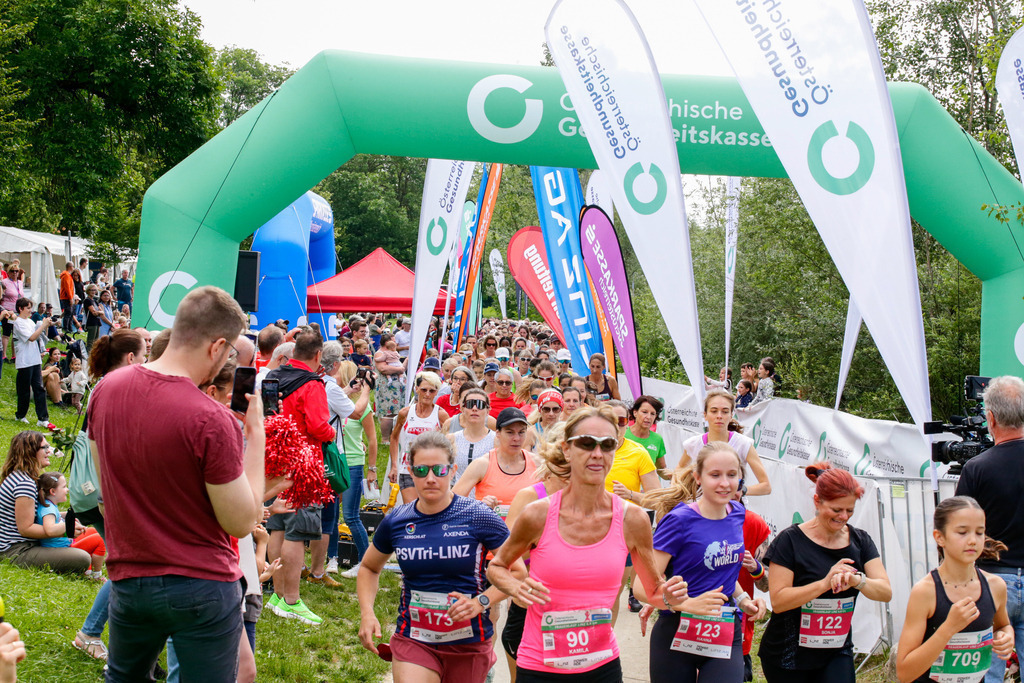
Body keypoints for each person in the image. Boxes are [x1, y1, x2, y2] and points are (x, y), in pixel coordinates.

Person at [88, 286, 265, 681]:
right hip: (200, 584)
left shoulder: (105, 390)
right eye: (229, 352)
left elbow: (108, 479)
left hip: (130, 578)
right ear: (217, 346)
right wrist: (256, 439)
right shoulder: (210, 418)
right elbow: (240, 521)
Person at [487, 405, 687, 682]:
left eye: (607, 445)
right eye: (586, 443)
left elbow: (653, 591)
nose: (597, 453)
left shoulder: (633, 519)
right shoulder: (538, 514)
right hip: (540, 666)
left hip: (601, 666)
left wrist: (671, 597)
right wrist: (516, 587)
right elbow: (496, 567)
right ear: (566, 450)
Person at [357, 432, 520, 683]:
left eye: (439, 470)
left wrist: (481, 602)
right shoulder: (397, 520)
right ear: (411, 473)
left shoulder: (478, 516)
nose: (430, 478)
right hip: (414, 638)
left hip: (468, 642)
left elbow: (518, 571)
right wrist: (367, 612)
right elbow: (369, 567)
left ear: (452, 470)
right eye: (421, 470)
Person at [639, 441, 767, 682]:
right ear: (698, 477)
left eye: (732, 475)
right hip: (677, 628)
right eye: (715, 475)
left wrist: (743, 600)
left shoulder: (738, 515)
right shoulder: (679, 520)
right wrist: (686, 604)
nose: (724, 483)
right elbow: (641, 587)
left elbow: (724, 567)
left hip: (724, 625)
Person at [758, 462, 892, 682]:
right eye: (836, 510)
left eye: (850, 510)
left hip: (836, 649)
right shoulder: (789, 540)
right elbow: (779, 600)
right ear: (817, 502)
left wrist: (858, 580)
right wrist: (824, 583)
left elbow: (885, 592)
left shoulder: (860, 540)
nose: (843, 517)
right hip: (788, 654)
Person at [264, 328, 344, 623]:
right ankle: (292, 601)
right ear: (318, 355)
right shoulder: (313, 384)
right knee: (297, 533)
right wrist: (333, 432)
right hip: (304, 463)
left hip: (274, 460)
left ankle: (276, 594)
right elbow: (318, 426)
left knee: (278, 526)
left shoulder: (273, 376)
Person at [896, 496, 1014, 683]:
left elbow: (1003, 625)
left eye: (979, 532)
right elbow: (904, 673)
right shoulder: (925, 592)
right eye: (962, 532)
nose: (973, 540)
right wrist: (948, 628)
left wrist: (1006, 637)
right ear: (939, 537)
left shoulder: (995, 586)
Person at [954, 375, 1024, 683]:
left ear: (990, 418)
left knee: (988, 674)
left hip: (991, 580)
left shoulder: (977, 468)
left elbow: (956, 532)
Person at [0, 431, 91, 572]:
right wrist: (66, 530)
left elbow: (40, 514)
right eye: (44, 447)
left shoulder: (24, 477)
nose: (49, 451)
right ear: (30, 452)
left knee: (89, 533)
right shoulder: (24, 484)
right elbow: (26, 528)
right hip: (16, 550)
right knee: (82, 558)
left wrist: (77, 515)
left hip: (28, 544)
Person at [323, 349, 376, 579]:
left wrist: (372, 469)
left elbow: (373, 440)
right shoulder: (335, 395)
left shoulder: (360, 405)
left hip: (352, 463)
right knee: (332, 514)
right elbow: (345, 406)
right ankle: (332, 558)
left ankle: (366, 562)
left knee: (351, 516)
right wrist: (361, 389)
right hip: (336, 460)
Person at [681, 389, 771, 496]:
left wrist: (739, 491)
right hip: (701, 508)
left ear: (731, 415)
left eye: (725, 411)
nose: (719, 416)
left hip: (733, 509)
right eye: (714, 411)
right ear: (705, 415)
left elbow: (766, 486)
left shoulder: (743, 444)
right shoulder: (693, 444)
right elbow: (678, 474)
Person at [453, 407, 535, 521]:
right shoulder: (482, 464)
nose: (516, 438)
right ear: (498, 433)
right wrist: (479, 506)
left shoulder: (538, 463)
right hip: (492, 536)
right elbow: (452, 503)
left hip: (529, 536)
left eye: (521, 432)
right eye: (510, 432)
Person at [390, 371, 449, 503]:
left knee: (428, 509)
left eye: (432, 391)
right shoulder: (405, 413)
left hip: (431, 471)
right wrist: (395, 465)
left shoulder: (441, 415)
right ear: (416, 389)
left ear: (436, 392)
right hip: (408, 468)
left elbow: (450, 443)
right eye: (424, 390)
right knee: (411, 510)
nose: (427, 394)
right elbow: (394, 438)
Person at [35, 471, 106, 579]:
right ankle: (96, 576)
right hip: (62, 548)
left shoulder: (48, 505)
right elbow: (49, 529)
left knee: (92, 531)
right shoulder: (48, 510)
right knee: (99, 539)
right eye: (64, 487)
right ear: (53, 491)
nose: (67, 490)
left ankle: (87, 570)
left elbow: (56, 516)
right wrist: (69, 525)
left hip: (67, 542)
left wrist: (70, 516)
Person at [12, 298, 51, 426]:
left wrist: (45, 325)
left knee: (39, 388)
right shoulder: (18, 323)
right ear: (20, 309)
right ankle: (21, 415)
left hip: (35, 359)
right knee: (24, 390)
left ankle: (43, 418)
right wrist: (43, 326)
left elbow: (37, 334)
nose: (30, 310)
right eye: (28, 308)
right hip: (24, 360)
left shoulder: (29, 321)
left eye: (30, 308)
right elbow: (32, 337)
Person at [447, 388, 496, 485]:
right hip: (458, 496)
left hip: (486, 498)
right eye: (470, 404)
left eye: (480, 405)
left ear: (488, 411)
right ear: (462, 409)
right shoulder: (451, 439)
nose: (474, 408)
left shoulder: (496, 440)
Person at [374, 332, 407, 443]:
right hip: (387, 387)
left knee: (398, 411)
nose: (396, 343)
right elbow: (383, 369)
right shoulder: (380, 354)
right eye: (394, 340)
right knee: (389, 412)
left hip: (398, 386)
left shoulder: (393, 352)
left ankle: (395, 436)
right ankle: (385, 439)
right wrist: (400, 370)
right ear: (387, 342)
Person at [625, 395, 668, 476]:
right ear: (635, 413)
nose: (648, 417)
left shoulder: (657, 439)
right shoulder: (622, 434)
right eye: (644, 412)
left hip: (647, 488)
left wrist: (677, 476)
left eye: (652, 414)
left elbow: (662, 470)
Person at [0, 267, 24, 362]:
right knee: (6, 333)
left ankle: (14, 355)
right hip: (6, 310)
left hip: (17, 311)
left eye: (16, 271)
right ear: (8, 272)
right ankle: (4, 355)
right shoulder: (5, 282)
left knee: (15, 334)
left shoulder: (20, 283)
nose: (14, 273)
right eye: (12, 271)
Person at [59, 261, 76, 333]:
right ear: (70, 267)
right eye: (73, 266)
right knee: (68, 313)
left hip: (67, 297)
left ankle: (69, 328)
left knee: (70, 313)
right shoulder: (66, 276)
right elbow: (67, 288)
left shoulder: (67, 275)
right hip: (66, 297)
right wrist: (70, 298)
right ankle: (66, 328)